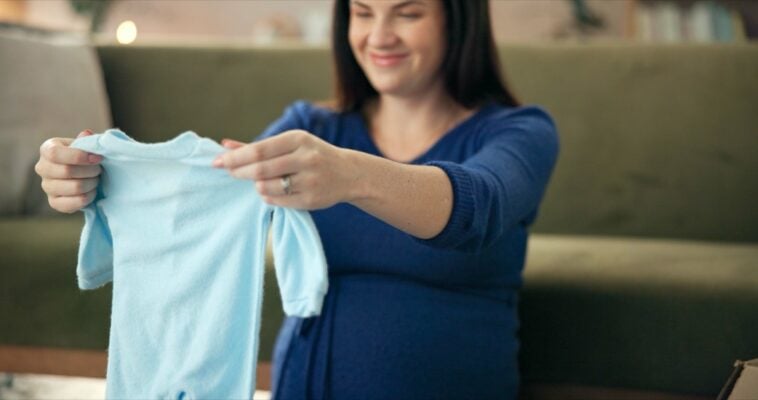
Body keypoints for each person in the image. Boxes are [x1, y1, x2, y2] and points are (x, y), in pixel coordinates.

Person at [35, 0, 559, 398]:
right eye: (362, 12)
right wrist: (100, 175)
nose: (379, 35)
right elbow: (215, 198)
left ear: (458, 21)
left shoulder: (521, 132)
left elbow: (479, 208)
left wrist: (350, 175)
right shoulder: (312, 126)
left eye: (408, 13)